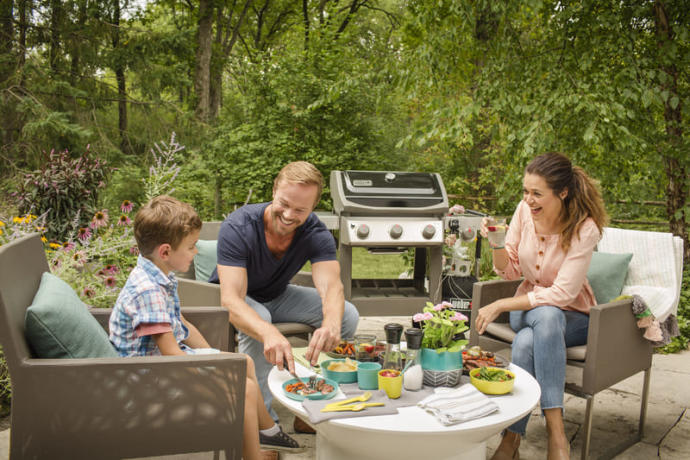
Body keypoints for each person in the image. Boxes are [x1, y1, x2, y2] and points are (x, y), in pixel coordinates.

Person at [109, 195, 300, 460]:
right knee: (242, 389)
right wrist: (216, 372)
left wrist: (216, 356)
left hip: (163, 365)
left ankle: (265, 432)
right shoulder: (147, 291)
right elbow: (171, 356)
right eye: (191, 246)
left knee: (242, 361)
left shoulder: (160, 275)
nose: (195, 252)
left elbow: (182, 324)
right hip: (149, 380)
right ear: (165, 252)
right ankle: (252, 455)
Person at [476, 153, 608, 460]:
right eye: (525, 191)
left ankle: (511, 439)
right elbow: (508, 271)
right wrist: (496, 243)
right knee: (544, 317)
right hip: (530, 308)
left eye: (537, 193)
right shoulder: (524, 211)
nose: (528, 200)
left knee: (528, 340)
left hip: (575, 315)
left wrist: (501, 304)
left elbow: (562, 294)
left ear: (562, 192)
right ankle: (557, 433)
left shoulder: (585, 228)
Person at [208, 161, 359, 429]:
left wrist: (331, 325)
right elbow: (231, 299)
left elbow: (332, 287)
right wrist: (268, 332)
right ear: (274, 189)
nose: (289, 215)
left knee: (346, 314)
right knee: (261, 319)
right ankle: (261, 425)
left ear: (313, 208)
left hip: (277, 294)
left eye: (300, 210)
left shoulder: (315, 232)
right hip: (231, 299)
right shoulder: (239, 225)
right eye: (284, 204)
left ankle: (312, 406)